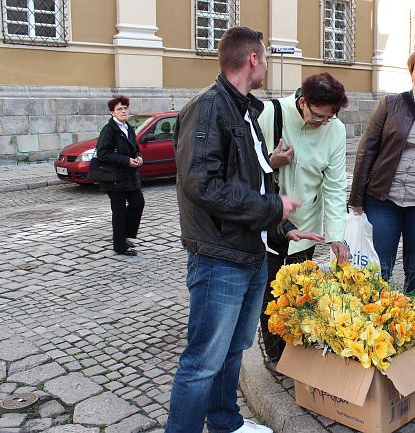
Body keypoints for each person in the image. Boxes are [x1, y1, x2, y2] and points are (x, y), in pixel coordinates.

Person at [165, 27, 321, 433]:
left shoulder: (246, 111)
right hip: (218, 258)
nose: (268, 64)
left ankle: (225, 423)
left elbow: (253, 181)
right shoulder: (208, 108)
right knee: (201, 363)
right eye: (266, 57)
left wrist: (282, 226)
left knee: (233, 351)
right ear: (253, 58)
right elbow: (203, 185)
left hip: (250, 252)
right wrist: (271, 206)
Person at [257, 72, 350, 366]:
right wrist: (271, 162)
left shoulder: (335, 129)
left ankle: (295, 347)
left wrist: (336, 236)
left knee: (299, 292)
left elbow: (335, 186)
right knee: (270, 293)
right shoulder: (270, 114)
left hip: (306, 226)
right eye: (318, 117)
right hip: (269, 223)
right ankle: (275, 353)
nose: (324, 123)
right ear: (302, 103)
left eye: (330, 118)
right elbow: (244, 169)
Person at [348, 47, 415, 300]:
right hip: (384, 199)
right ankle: (376, 324)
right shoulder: (391, 104)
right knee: (381, 265)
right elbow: (367, 150)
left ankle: (413, 326)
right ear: (411, 73)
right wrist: (356, 199)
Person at [95, 95, 145, 256]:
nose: (123, 111)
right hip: (114, 178)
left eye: (125, 108)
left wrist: (139, 157)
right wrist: (126, 161)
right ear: (112, 113)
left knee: (138, 203)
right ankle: (120, 246)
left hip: (130, 177)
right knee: (119, 212)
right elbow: (103, 154)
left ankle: (122, 236)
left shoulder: (128, 127)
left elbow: (135, 147)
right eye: (119, 109)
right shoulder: (109, 130)